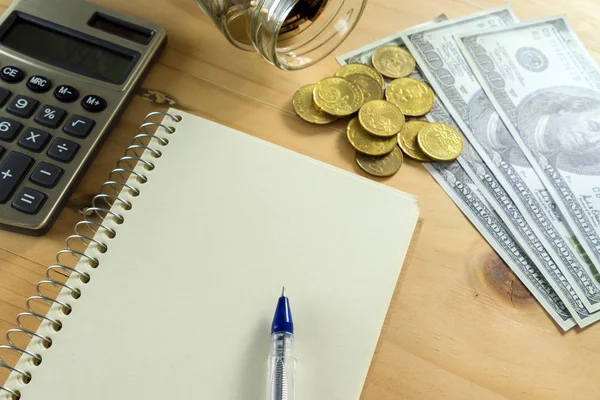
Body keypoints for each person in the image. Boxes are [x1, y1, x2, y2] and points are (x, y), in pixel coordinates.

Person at [517, 87, 600, 175]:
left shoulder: (548, 170)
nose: (591, 141)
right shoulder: (521, 113)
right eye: (593, 127)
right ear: (567, 110)